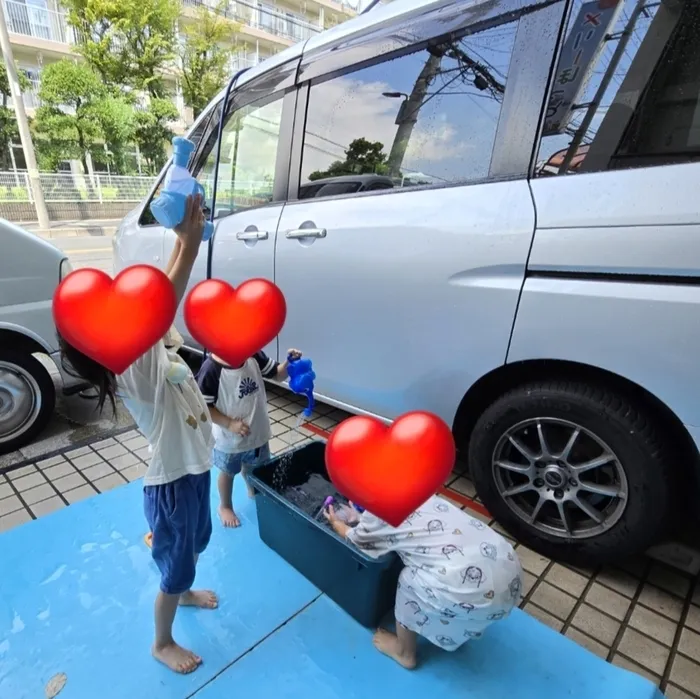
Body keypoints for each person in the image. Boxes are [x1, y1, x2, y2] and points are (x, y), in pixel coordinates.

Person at [57, 195, 216, 675]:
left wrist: (178, 244)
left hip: (195, 470)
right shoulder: (135, 370)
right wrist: (187, 246)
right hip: (172, 483)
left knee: (196, 544)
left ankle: (183, 583)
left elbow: (156, 309)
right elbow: (160, 304)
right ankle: (162, 642)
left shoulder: (152, 351)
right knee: (175, 567)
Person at [325, 495, 523, 669]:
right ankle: (466, 619)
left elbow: (357, 541)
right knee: (467, 584)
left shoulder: (377, 514)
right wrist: (362, 519)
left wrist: (338, 524)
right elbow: (402, 525)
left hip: (467, 590)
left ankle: (404, 652)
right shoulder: (422, 494)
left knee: (409, 580)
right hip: (509, 572)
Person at [197, 346, 302, 528]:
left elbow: (277, 374)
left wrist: (288, 364)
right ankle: (225, 506)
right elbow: (204, 407)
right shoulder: (211, 369)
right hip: (229, 439)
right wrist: (229, 423)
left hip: (257, 434)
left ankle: (253, 490)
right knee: (228, 473)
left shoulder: (253, 355)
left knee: (255, 467)